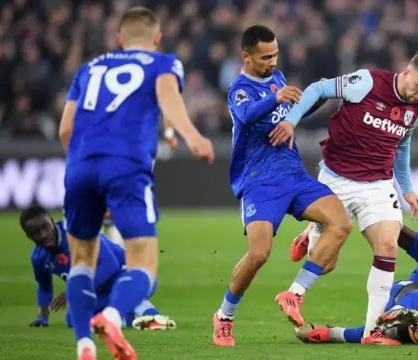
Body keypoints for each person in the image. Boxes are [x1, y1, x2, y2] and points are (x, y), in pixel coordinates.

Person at [58, 6, 214, 360]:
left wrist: (81, 167)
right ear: (157, 39)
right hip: (126, 166)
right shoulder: (162, 63)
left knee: (81, 262)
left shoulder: (89, 68)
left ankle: (84, 345)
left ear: (119, 39)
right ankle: (112, 317)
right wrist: (191, 135)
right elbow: (167, 97)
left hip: (79, 166)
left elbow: (65, 129)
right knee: (144, 264)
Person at [270, 51, 418, 343]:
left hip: (377, 185)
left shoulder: (417, 109)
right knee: (327, 264)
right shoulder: (366, 81)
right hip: (336, 179)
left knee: (389, 245)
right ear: (407, 71)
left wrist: (407, 188)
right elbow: (318, 89)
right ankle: (308, 237)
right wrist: (291, 121)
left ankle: (372, 330)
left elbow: (401, 148)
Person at [213, 24, 352, 347]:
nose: (272, 61)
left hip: (293, 173)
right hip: (260, 179)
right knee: (259, 254)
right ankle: (224, 315)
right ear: (246, 57)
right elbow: (247, 116)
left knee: (341, 224)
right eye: (265, 57)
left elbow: (291, 112)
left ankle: (294, 293)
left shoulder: (277, 78)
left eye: (275, 54)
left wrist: (317, 98)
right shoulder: (239, 89)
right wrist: (277, 96)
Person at [22, 206, 176, 331]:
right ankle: (129, 319)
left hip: (136, 273)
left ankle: (154, 318)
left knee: (122, 290)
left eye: (45, 227)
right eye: (36, 232)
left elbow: (110, 265)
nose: (43, 235)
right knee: (73, 319)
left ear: (52, 222)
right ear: (29, 236)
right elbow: (44, 287)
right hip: (102, 290)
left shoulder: (78, 233)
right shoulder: (39, 258)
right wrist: (42, 317)